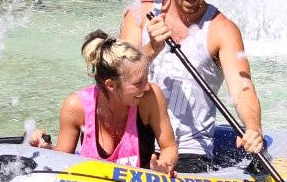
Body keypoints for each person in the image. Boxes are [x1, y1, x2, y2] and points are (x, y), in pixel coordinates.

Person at [119, 0, 264, 173]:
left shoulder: (222, 30)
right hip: (134, 136)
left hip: (189, 150)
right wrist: (151, 49)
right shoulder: (141, 13)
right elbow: (117, 79)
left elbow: (242, 87)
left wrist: (253, 128)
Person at [29, 30, 179, 174]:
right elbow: (61, 160)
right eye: (138, 83)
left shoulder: (150, 97)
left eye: (146, 77)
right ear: (111, 85)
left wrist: (163, 166)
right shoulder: (76, 106)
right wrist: (45, 149)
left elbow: (169, 147)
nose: (146, 86)